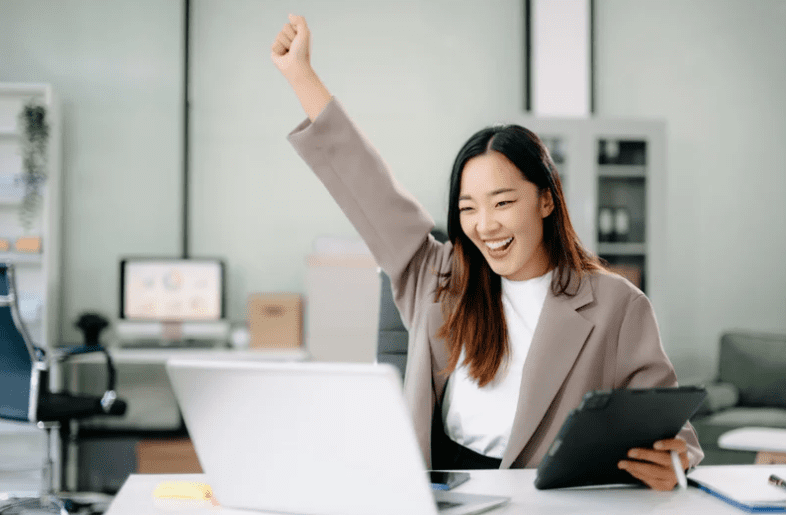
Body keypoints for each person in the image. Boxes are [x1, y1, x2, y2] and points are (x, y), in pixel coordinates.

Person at [271, 14, 703, 491]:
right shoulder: (435, 277)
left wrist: (676, 460)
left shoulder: (617, 304)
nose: (485, 225)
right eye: (468, 208)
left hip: (554, 498)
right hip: (442, 489)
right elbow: (364, 182)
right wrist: (301, 76)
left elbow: (667, 423)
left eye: (502, 202)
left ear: (545, 200)